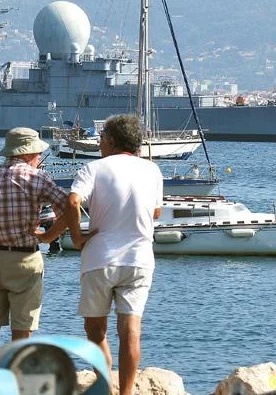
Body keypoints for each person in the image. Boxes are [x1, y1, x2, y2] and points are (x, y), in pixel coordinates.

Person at [0, 126, 73, 369]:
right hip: (24, 260)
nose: (39, 157)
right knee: (22, 330)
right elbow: (70, 207)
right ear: (29, 153)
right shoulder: (37, 178)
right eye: (38, 153)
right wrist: (49, 236)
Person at [64, 114, 163, 395]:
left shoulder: (93, 168)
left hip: (100, 259)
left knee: (96, 332)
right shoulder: (152, 170)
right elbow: (156, 211)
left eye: (101, 139)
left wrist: (76, 236)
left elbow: (73, 201)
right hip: (139, 259)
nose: (99, 144)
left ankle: (106, 386)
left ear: (110, 140)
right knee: (130, 331)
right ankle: (127, 392)